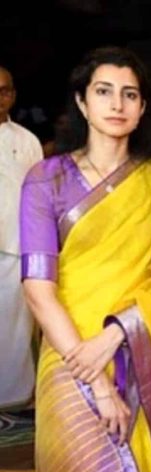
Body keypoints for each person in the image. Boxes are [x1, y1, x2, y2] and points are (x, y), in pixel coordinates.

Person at [19, 47, 151, 472]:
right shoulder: (45, 179)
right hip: (68, 358)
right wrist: (93, 377)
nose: (117, 104)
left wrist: (118, 334)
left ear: (142, 108)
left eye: (129, 94)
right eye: (104, 91)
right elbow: (38, 289)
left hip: (139, 354)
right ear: (82, 102)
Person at [0, 66, 42, 410]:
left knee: (14, 325)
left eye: (4, 90)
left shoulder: (27, 141)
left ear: (12, 95)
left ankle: (13, 398)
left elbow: (37, 194)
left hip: (15, 246)